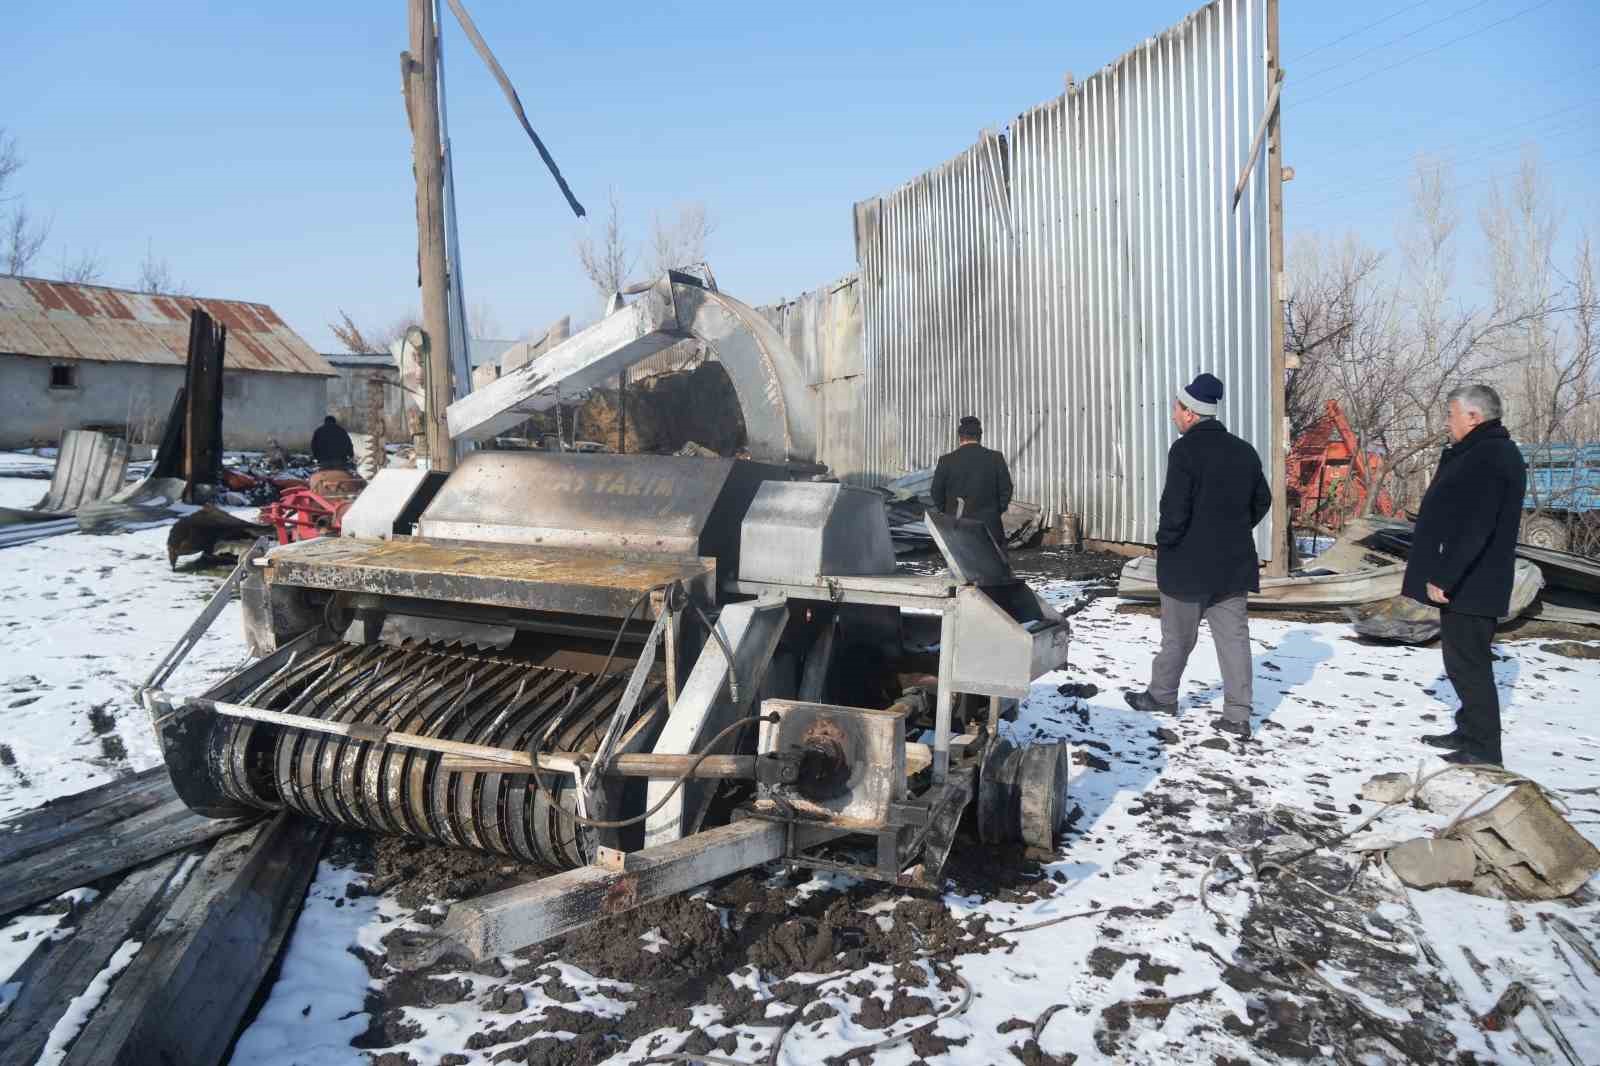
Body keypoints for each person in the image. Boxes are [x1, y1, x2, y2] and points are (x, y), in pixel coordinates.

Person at [1125, 373, 1271, 740]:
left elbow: (1174, 509)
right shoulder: (1244, 450)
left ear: (1190, 413)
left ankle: (1161, 698)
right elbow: (1262, 500)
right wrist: (1235, 528)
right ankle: (1237, 715)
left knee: (1177, 638)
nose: (1173, 414)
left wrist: (1166, 543)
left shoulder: (1185, 451)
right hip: (1232, 566)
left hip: (1187, 566)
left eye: (1177, 408)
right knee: (1234, 640)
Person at [1402, 384, 1526, 768]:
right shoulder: (1477, 451)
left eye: (1452, 414)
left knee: (1471, 664)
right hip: (1468, 579)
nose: (1447, 422)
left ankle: (1485, 749)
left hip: (1474, 580)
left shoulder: (1492, 456)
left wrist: (1447, 576)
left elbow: (1477, 526)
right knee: (1459, 661)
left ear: (1474, 417)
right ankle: (1467, 730)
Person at [930, 415, 1014, 549]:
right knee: (993, 564)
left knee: (962, 564)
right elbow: (1006, 489)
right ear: (979, 437)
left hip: (957, 525)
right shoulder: (995, 458)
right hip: (990, 526)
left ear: (960, 437)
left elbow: (936, 492)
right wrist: (995, 511)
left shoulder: (947, 460)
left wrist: (948, 512)